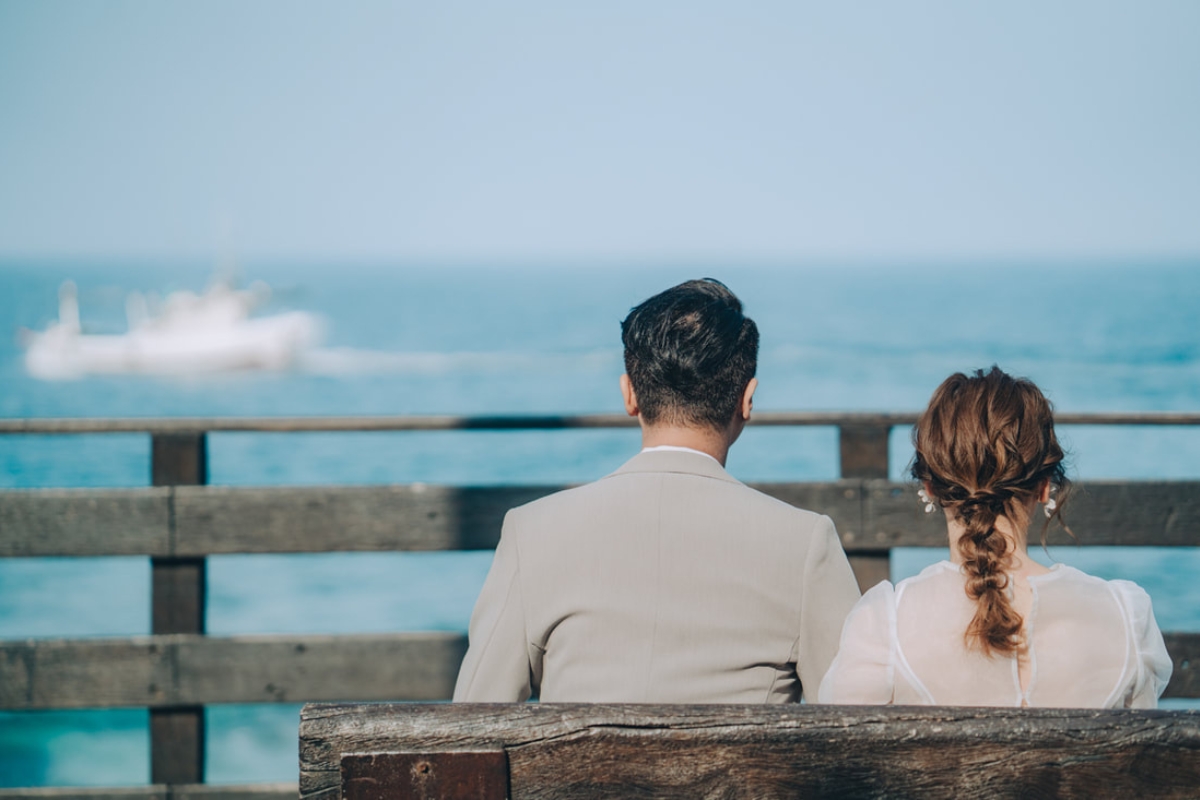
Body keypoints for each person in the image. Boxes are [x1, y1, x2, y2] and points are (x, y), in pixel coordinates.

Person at [454, 278, 861, 703]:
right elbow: (850, 727)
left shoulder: (531, 532)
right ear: (747, 399)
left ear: (629, 394)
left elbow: (473, 722)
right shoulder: (805, 544)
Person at [819, 366, 1172, 708]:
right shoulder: (1127, 618)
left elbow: (842, 760)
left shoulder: (885, 624)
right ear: (1045, 486)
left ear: (929, 487)